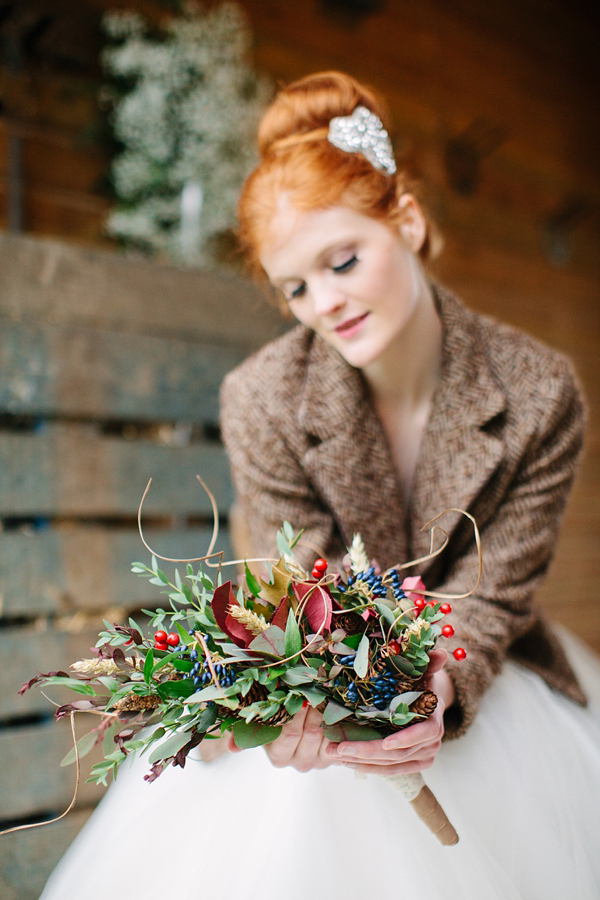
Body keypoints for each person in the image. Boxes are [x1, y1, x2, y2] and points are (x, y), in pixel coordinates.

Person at [39, 72, 600, 900]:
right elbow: (293, 568)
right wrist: (320, 691)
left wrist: (435, 688)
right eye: (296, 287)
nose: (325, 304)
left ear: (405, 221)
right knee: (303, 800)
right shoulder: (261, 396)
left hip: (480, 670)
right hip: (335, 665)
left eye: (343, 262)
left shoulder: (541, 391)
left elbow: (497, 589)